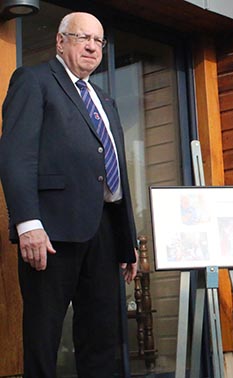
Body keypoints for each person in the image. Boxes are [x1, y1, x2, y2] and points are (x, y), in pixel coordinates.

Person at [0, 12, 138, 377]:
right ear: (60, 42)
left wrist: (127, 241)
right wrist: (29, 223)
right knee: (44, 339)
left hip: (104, 232)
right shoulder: (34, 81)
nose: (92, 46)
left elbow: (117, 173)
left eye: (98, 40)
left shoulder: (105, 100)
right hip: (51, 232)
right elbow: (16, 155)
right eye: (82, 37)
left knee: (103, 338)